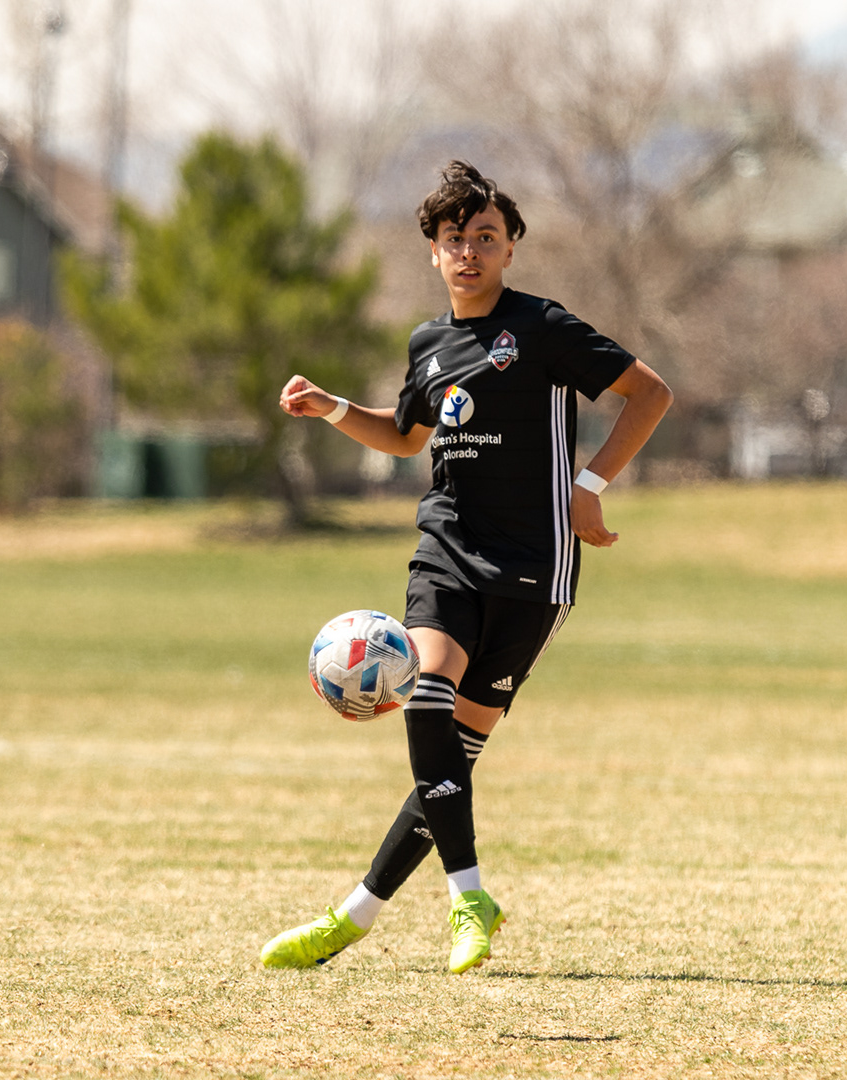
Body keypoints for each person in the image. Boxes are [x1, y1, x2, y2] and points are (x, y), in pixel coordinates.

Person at [262, 161, 672, 974]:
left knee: (449, 760)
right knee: (426, 697)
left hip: (536, 568)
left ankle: (353, 916)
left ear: (511, 247)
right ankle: (469, 897)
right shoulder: (428, 344)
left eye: (486, 237)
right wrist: (331, 407)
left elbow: (650, 393)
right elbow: (405, 435)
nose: (470, 251)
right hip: (447, 550)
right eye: (455, 239)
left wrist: (590, 487)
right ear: (434, 252)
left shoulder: (542, 326)